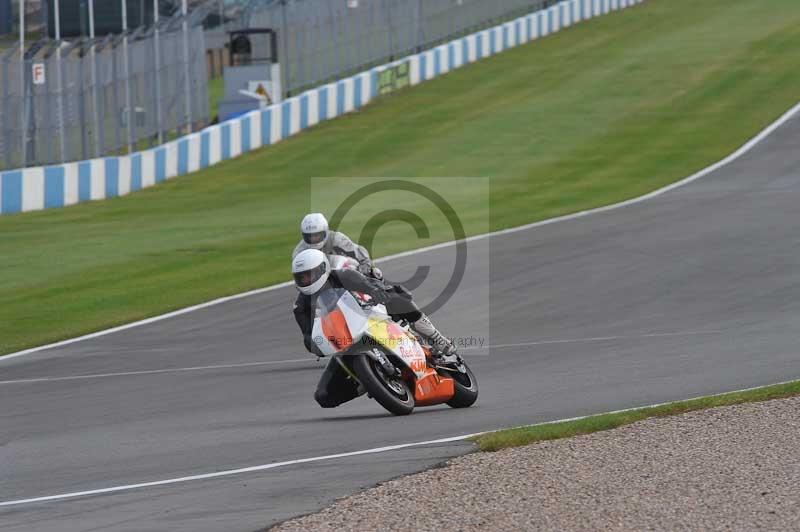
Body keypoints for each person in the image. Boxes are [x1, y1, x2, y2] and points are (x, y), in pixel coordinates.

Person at [291, 249, 458, 363]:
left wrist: (377, 291)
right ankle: (370, 380)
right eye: (302, 278)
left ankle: (437, 339)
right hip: (343, 341)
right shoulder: (301, 306)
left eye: (309, 275)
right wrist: (315, 345)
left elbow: (369, 284)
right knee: (324, 396)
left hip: (367, 313)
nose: (306, 281)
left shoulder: (343, 275)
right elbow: (308, 334)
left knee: (398, 298)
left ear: (322, 269)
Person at [292, 213, 382, 279]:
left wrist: (365, 265)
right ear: (304, 236)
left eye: (317, 235)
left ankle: (384, 292)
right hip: (318, 280)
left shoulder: (337, 238)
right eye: (310, 236)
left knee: (375, 273)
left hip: (345, 272)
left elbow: (357, 250)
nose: (314, 239)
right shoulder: (299, 252)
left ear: (325, 231)